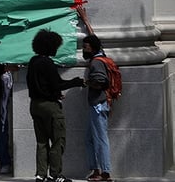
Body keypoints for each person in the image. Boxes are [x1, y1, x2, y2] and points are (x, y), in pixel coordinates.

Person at [26, 29, 84, 182]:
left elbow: (38, 85)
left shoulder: (33, 61)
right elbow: (57, 84)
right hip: (50, 107)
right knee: (58, 140)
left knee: (42, 141)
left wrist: (53, 93)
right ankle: (55, 174)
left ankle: (41, 174)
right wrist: (76, 81)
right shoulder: (47, 63)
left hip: (35, 104)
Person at [82, 32, 113, 182]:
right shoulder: (101, 56)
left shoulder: (96, 63)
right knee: (89, 139)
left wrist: (87, 83)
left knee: (100, 139)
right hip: (98, 105)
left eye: (86, 47)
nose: (84, 49)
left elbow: (101, 82)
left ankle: (105, 173)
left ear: (92, 48)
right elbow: (96, 40)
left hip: (98, 105)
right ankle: (95, 170)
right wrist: (86, 22)